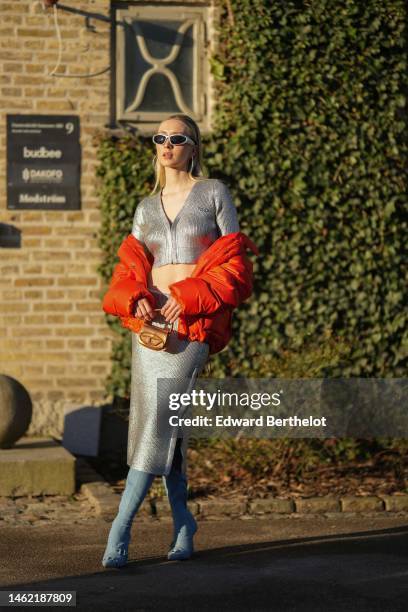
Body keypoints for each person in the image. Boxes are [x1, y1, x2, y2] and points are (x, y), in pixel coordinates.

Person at [101, 113, 259, 568]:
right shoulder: (145, 207)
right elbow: (130, 268)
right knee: (160, 425)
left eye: (177, 138)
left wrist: (190, 297)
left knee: (155, 425)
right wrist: (136, 300)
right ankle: (184, 523)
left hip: (192, 329)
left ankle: (120, 529)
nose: (166, 144)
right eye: (160, 138)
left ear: (193, 147)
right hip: (152, 332)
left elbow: (234, 264)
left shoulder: (213, 192)